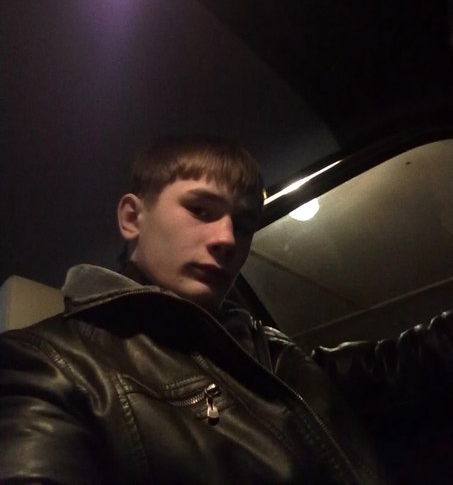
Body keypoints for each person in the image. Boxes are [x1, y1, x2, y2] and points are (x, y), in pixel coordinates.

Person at [1, 135, 452, 485]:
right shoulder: (46, 364)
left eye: (243, 224)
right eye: (201, 210)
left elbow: (399, 366)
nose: (227, 239)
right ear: (132, 218)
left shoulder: (266, 353)